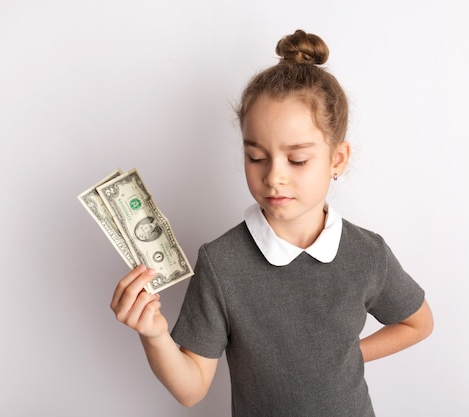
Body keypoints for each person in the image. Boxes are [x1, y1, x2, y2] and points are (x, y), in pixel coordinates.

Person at [110, 28, 434, 417]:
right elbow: (192, 389)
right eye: (256, 157)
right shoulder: (221, 263)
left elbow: (418, 324)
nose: (273, 176)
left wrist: (347, 356)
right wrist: (154, 335)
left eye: (297, 160)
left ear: (338, 159)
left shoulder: (368, 253)